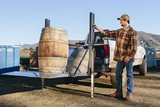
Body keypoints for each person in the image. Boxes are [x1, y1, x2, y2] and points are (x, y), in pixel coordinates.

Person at [93, 14, 137, 100]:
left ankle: (129, 93)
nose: (120, 21)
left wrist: (129, 56)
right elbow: (108, 34)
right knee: (117, 75)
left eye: (121, 20)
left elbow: (134, 47)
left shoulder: (132, 32)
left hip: (128, 57)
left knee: (129, 75)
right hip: (120, 57)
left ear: (126, 20)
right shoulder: (119, 31)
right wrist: (98, 29)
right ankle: (118, 92)